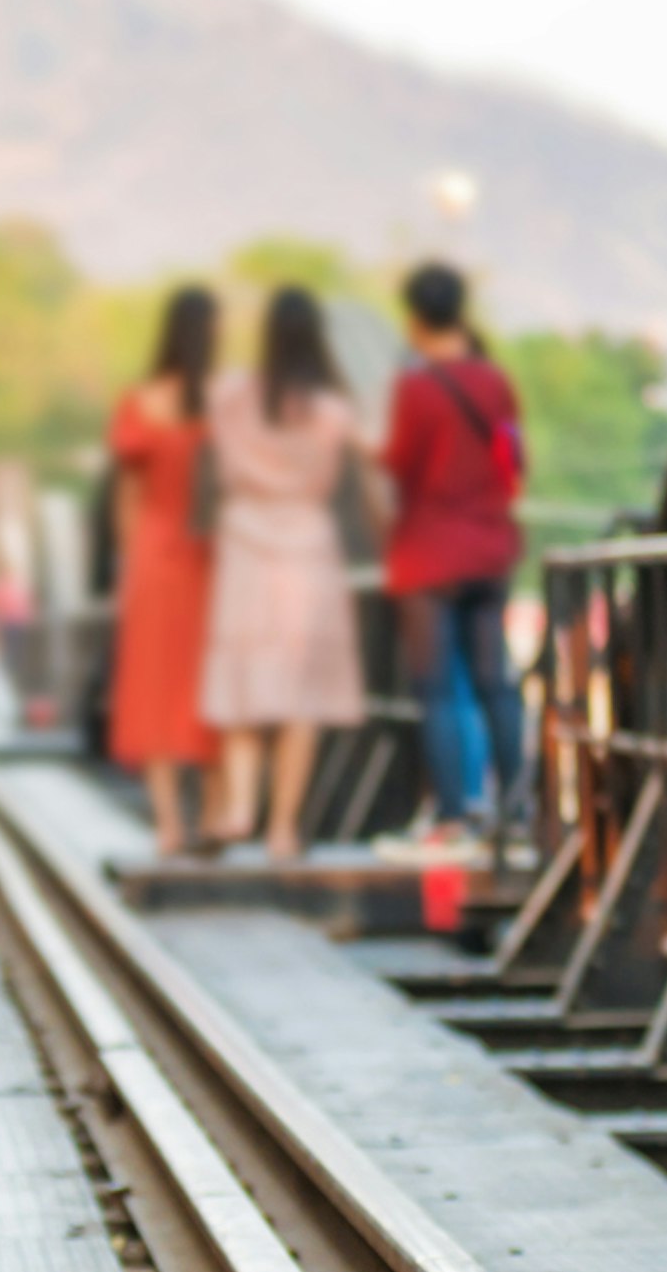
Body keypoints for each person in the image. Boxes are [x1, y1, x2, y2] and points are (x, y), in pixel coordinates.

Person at [201, 287, 371, 861]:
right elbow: (367, 462)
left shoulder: (230, 396)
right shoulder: (331, 410)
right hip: (307, 547)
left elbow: (218, 466)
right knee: (301, 692)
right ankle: (282, 829)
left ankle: (241, 805)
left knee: (244, 680)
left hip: (246, 541)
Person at [381, 260, 531, 851]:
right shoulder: (494, 382)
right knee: (497, 682)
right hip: (490, 549)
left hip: (430, 554)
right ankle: (517, 812)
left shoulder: (415, 388)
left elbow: (400, 467)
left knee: (438, 687)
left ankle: (454, 816)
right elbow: (511, 461)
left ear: (415, 318)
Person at [106, 286, 221, 856]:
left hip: (155, 555)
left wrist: (133, 564)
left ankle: (170, 824)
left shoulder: (142, 401)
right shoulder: (226, 402)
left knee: (153, 682)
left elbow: (128, 497)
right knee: (213, 680)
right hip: (214, 556)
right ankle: (220, 814)